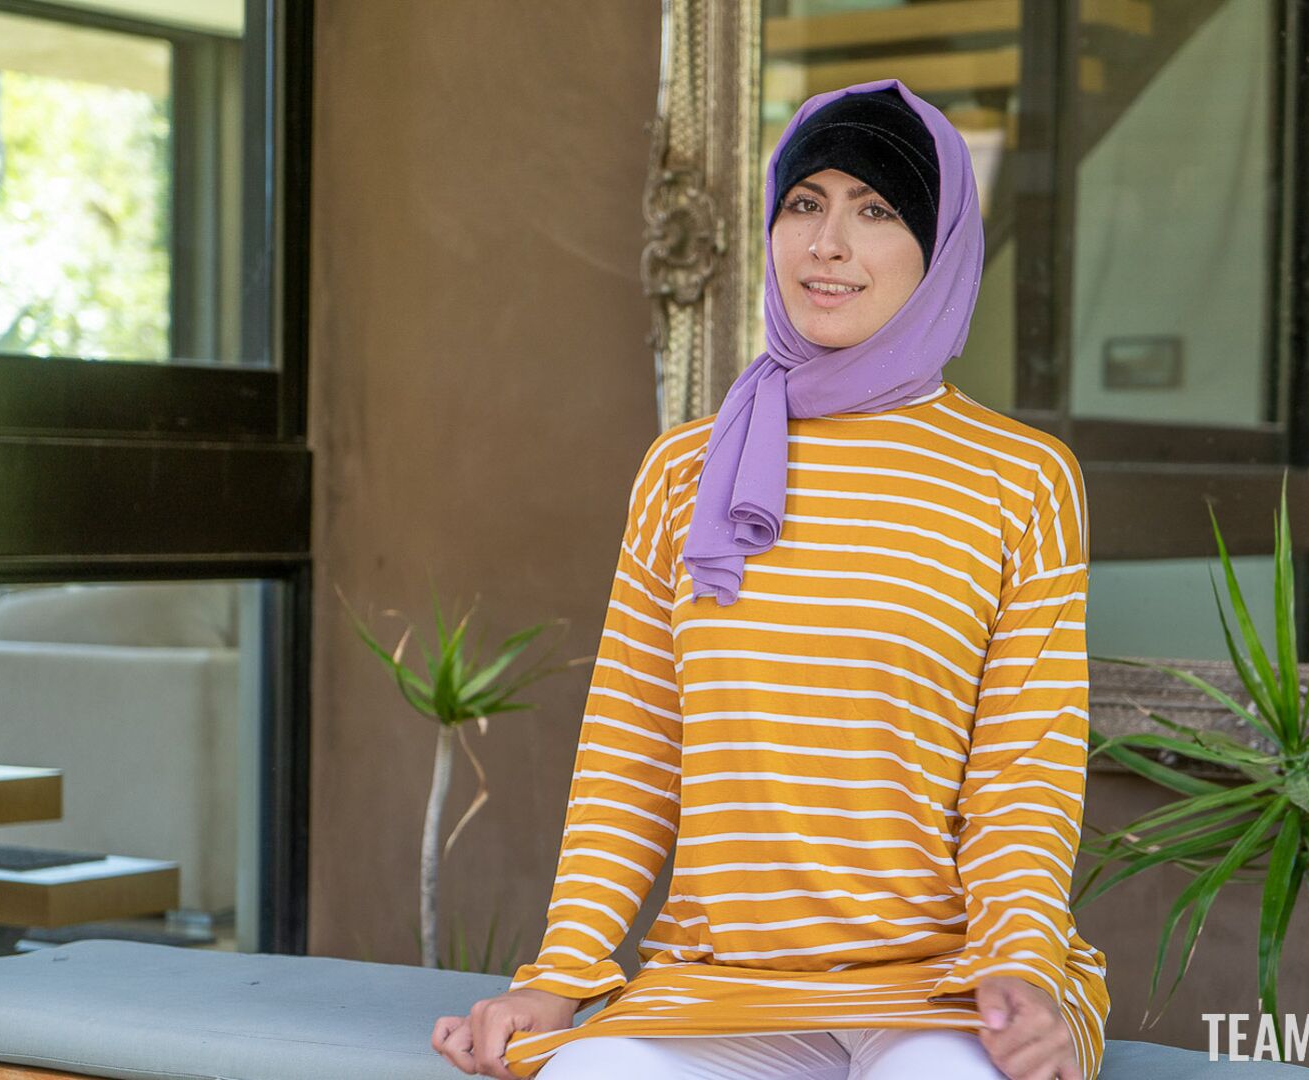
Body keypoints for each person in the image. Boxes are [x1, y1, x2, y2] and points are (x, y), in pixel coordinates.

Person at [432, 77, 1108, 1080]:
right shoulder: (684, 468)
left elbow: (1025, 767)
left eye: (876, 211)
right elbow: (634, 744)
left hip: (946, 981)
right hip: (723, 983)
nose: (826, 244)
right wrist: (560, 976)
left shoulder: (1021, 480)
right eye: (805, 203)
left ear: (941, 247)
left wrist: (1019, 965)